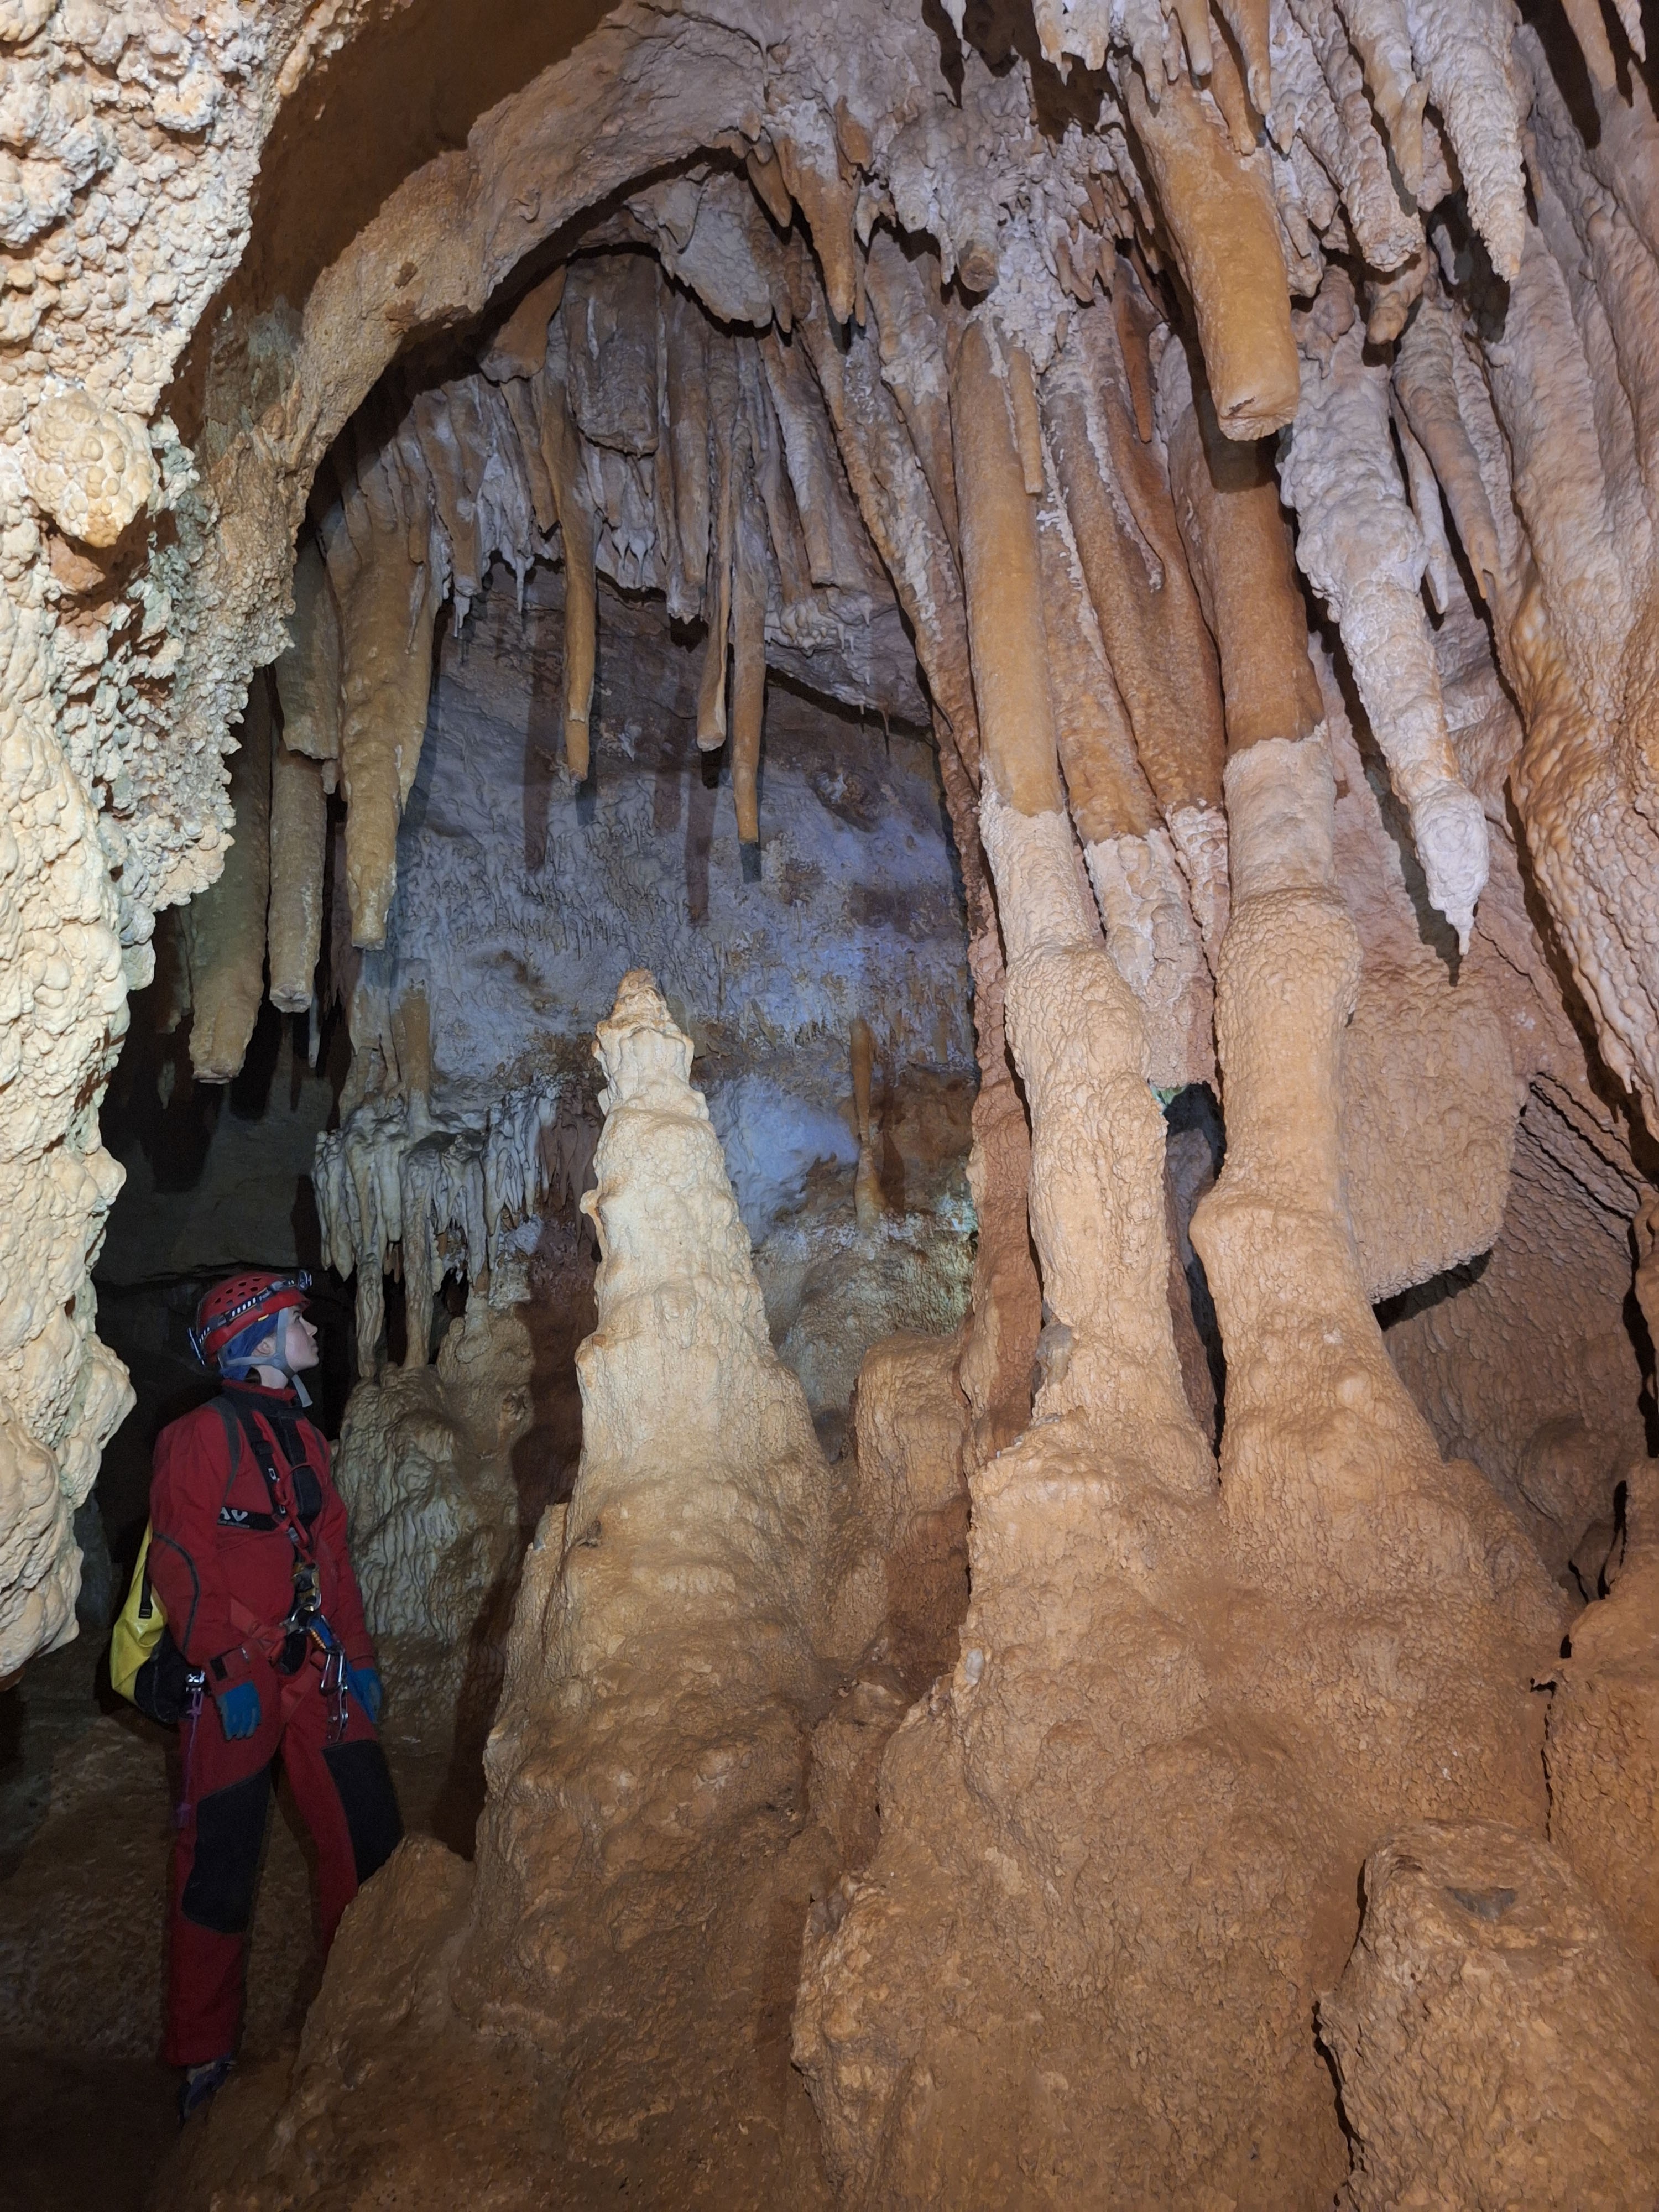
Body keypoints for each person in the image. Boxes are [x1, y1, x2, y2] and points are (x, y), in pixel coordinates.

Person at [146, 1269, 402, 2122]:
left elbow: (332, 1557)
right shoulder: (198, 1436)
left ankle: (358, 2014)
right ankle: (204, 2055)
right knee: (219, 1860)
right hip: (239, 1677)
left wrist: (357, 1655)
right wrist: (219, 1663)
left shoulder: (308, 1439)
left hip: (317, 1668)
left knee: (368, 1834)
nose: (312, 1330)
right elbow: (181, 1558)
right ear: (255, 1341)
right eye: (296, 1320)